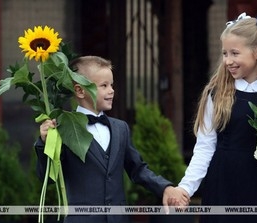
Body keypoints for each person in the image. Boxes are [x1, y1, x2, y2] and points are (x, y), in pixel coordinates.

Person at [167, 12, 257, 223]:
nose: (228, 61)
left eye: (234, 53)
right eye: (224, 54)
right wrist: (185, 187)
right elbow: (205, 147)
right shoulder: (216, 94)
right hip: (220, 189)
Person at [34, 56, 189, 223]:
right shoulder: (62, 128)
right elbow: (48, 178)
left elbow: (138, 169)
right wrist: (44, 143)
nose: (111, 90)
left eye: (111, 85)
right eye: (104, 86)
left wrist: (165, 187)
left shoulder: (120, 128)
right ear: (79, 90)